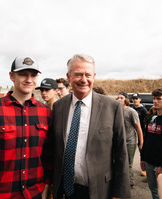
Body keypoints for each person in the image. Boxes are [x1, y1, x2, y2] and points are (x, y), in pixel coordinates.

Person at [0, 56, 53, 199]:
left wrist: (46, 185)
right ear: (11, 76)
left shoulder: (46, 113)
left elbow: (48, 155)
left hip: (35, 193)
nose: (29, 79)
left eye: (33, 75)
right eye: (23, 74)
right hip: (2, 193)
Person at [52, 54, 130, 199]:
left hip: (100, 190)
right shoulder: (58, 107)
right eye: (78, 74)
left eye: (88, 74)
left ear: (93, 76)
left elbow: (121, 154)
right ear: (68, 77)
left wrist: (120, 193)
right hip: (66, 191)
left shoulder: (112, 107)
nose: (83, 79)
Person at [140, 88, 162, 199]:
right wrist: (142, 158)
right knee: (154, 190)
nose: (155, 101)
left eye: (159, 99)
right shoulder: (152, 118)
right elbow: (147, 140)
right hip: (149, 162)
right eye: (154, 98)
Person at [117, 92, 143, 189]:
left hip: (130, 142)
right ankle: (122, 181)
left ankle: (130, 183)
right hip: (120, 141)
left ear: (126, 100)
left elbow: (138, 128)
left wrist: (141, 142)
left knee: (128, 163)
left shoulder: (131, 112)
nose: (119, 99)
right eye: (118, 97)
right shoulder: (117, 111)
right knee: (120, 162)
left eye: (121, 98)